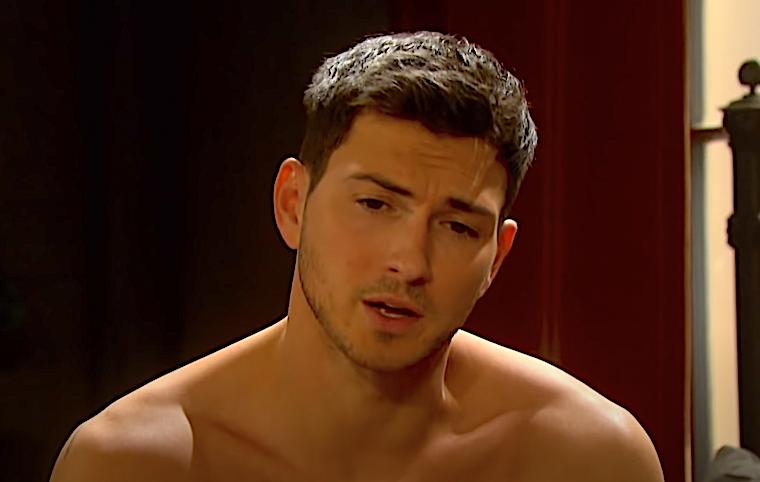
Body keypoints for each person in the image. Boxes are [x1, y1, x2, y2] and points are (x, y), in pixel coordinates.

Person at [50, 31, 664, 482]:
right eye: (374, 204)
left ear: (496, 258)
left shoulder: (588, 459)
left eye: (456, 226)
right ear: (293, 205)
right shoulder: (136, 462)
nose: (410, 263)